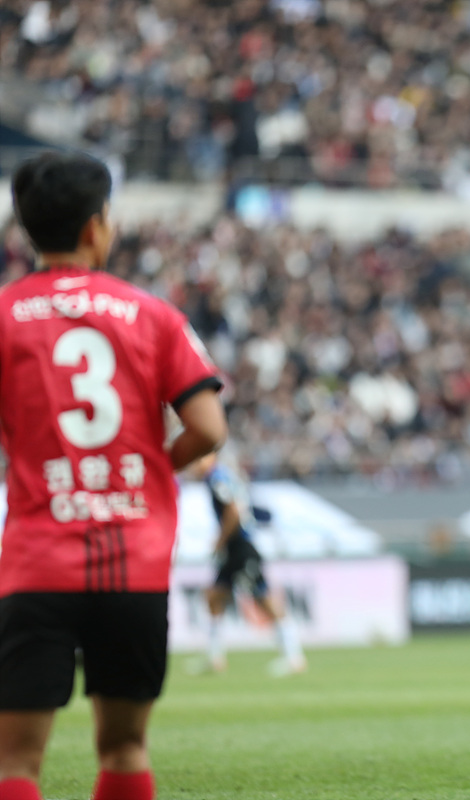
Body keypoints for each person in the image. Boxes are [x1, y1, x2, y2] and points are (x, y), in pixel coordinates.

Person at [0, 152, 227, 800]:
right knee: (125, 748)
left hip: (37, 561)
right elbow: (209, 428)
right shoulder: (152, 314)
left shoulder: (5, 314)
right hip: (133, 563)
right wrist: (155, 468)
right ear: (96, 227)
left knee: (15, 764)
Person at [190, 450, 306, 677]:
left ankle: (294, 656)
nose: (195, 466)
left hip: (240, 549)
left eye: (198, 459)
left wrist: (219, 541)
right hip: (234, 549)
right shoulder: (220, 477)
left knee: (263, 598)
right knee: (214, 596)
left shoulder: (217, 478)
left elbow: (233, 511)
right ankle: (214, 657)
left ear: (211, 457)